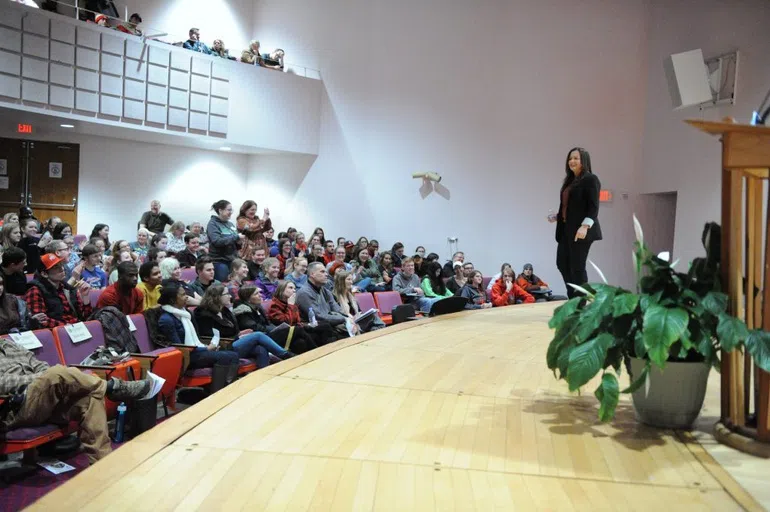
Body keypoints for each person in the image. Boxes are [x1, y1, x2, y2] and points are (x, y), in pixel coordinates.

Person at [0, 339, 150, 465]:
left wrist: (44, 379)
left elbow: (40, 365)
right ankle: (113, 387)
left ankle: (103, 464)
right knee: (58, 373)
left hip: (44, 399)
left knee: (89, 398)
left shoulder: (9, 344)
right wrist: (41, 380)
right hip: (15, 408)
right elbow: (3, 383)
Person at [194, 284, 293, 366]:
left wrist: (240, 334)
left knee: (260, 349)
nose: (230, 296)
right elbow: (208, 336)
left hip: (234, 342)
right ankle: (286, 355)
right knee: (258, 335)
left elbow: (234, 331)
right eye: (227, 294)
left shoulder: (225, 311)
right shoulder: (203, 314)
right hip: (222, 347)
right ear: (217, 297)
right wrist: (237, 336)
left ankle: (263, 379)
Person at [549, 147, 602, 298]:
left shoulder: (591, 179)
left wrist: (585, 226)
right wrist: (558, 216)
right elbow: (571, 207)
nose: (572, 161)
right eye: (570, 158)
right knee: (562, 263)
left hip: (581, 231)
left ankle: (580, 302)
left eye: (576, 158)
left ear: (584, 161)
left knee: (577, 267)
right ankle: (574, 296)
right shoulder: (570, 181)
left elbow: (593, 207)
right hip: (566, 229)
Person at [156, 282, 240, 371]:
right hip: (187, 357)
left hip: (196, 350)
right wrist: (206, 348)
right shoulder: (166, 320)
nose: (187, 297)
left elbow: (197, 338)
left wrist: (207, 346)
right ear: (172, 300)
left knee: (233, 355)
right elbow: (179, 348)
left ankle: (227, 383)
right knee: (227, 356)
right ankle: (222, 385)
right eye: (183, 295)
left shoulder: (186, 313)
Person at [235, 285, 317, 354]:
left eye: (260, 292)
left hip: (268, 333)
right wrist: (275, 329)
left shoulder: (258, 308)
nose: (260, 295)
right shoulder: (243, 312)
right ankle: (316, 351)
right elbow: (255, 328)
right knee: (297, 329)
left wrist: (276, 328)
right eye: (256, 293)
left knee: (299, 342)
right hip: (262, 338)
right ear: (248, 298)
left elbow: (268, 323)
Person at [25, 253, 93, 327]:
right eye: (55, 267)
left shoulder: (68, 288)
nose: (62, 269)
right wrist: (65, 326)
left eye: (61, 265)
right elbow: (41, 320)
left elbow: (86, 317)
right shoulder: (35, 290)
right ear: (44, 274)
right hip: (56, 332)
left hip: (76, 328)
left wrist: (85, 296)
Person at [268, 280, 335, 347]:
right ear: (281, 290)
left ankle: (332, 348)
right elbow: (286, 323)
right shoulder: (275, 305)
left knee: (325, 325)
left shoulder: (291, 303)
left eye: (294, 288)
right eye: (290, 288)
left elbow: (298, 321)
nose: (294, 290)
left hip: (299, 329)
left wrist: (308, 325)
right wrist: (291, 305)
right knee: (301, 342)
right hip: (287, 334)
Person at [295, 262, 350, 337]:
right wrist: (344, 319)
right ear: (312, 274)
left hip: (330, 325)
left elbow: (337, 309)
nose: (326, 274)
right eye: (322, 272)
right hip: (316, 330)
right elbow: (319, 317)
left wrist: (349, 318)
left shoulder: (325, 290)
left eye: (326, 272)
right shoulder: (304, 293)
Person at [207, 200, 244, 282]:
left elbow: (236, 244)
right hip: (219, 261)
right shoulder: (213, 224)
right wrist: (236, 237)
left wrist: (239, 243)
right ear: (220, 210)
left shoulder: (230, 224)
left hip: (232, 259)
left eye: (232, 210)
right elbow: (216, 241)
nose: (231, 212)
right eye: (229, 210)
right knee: (223, 285)